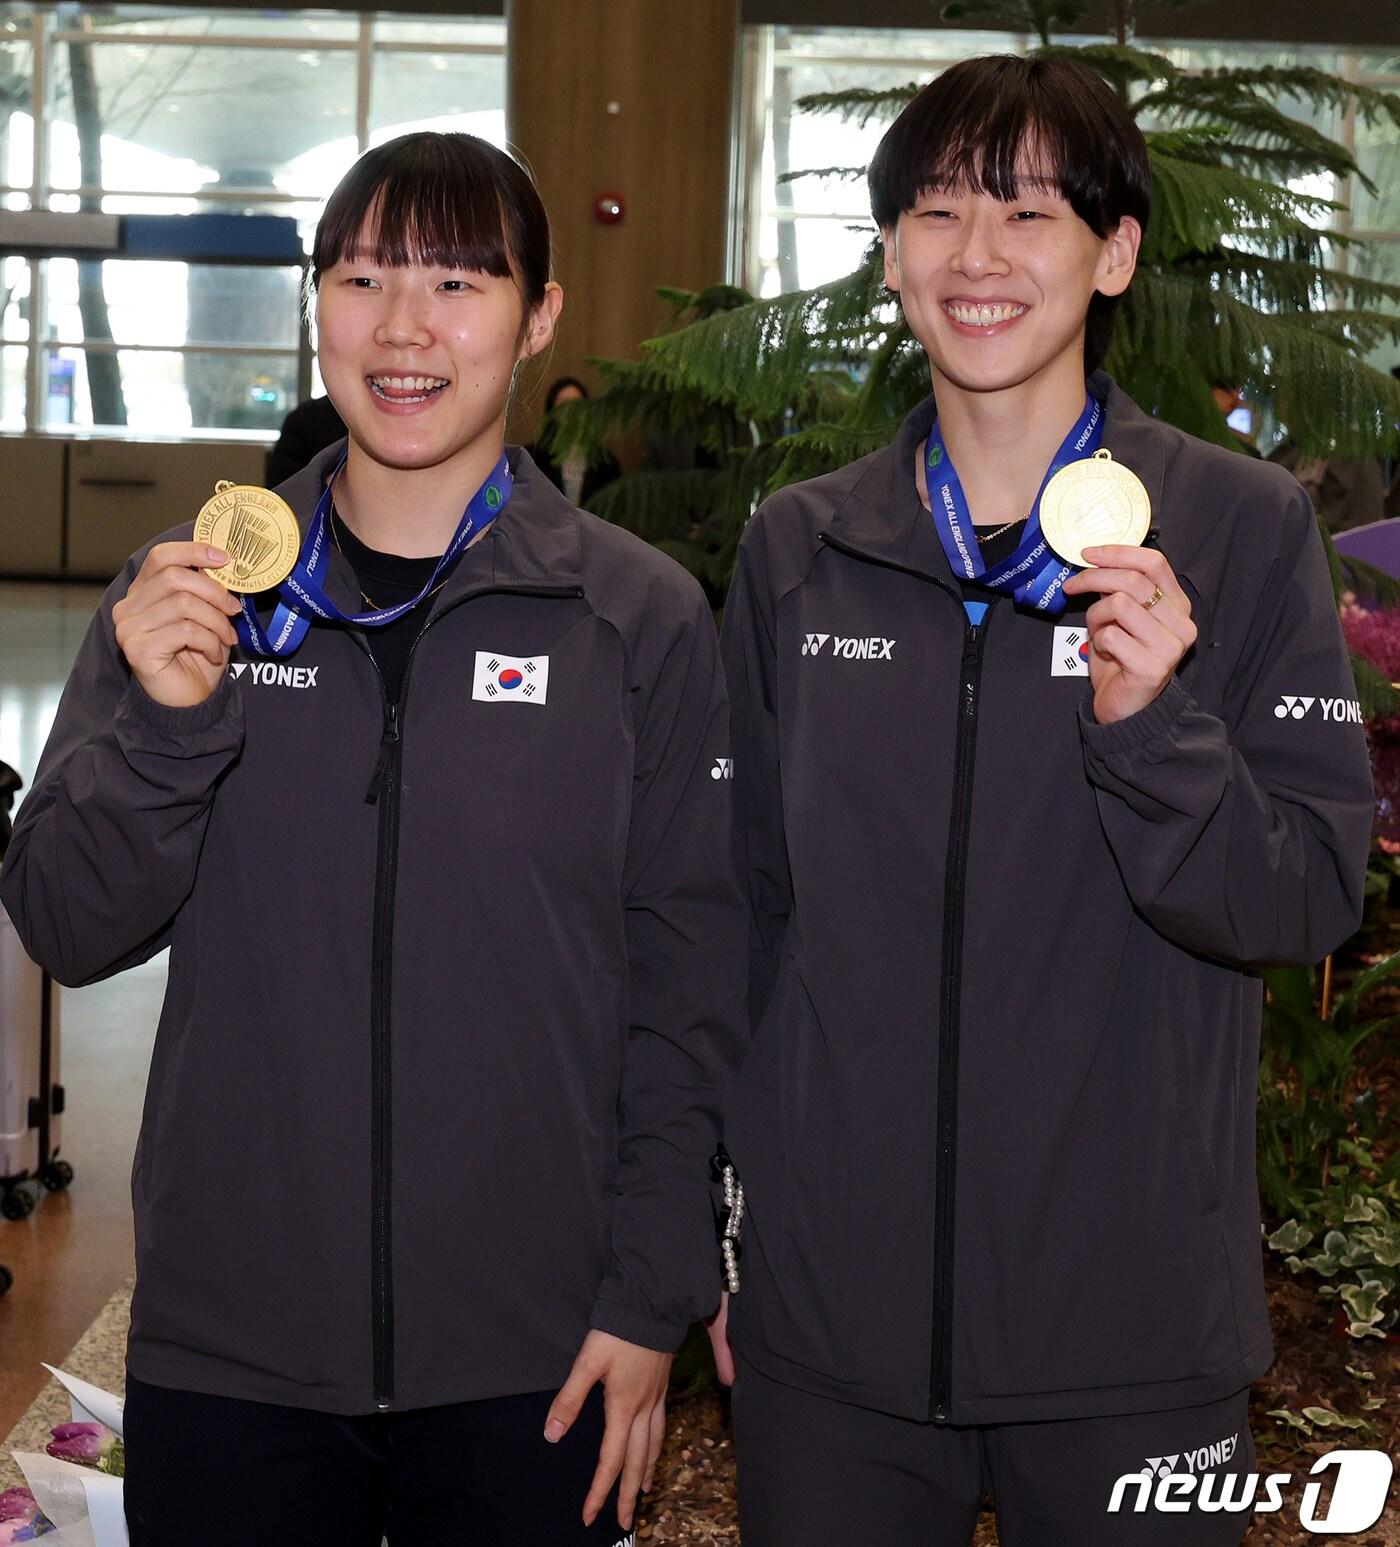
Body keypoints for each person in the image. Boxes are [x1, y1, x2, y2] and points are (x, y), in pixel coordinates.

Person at [1, 132, 745, 1547]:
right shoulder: (195, 592)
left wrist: (650, 1293)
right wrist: (166, 722)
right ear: (316, 305)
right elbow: (70, 920)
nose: (404, 327)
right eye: (361, 278)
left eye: (459, 281)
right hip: (232, 1357)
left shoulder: (636, 619)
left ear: (539, 318)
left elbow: (690, 977)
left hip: (536, 1359)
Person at [712, 54, 1373, 1546]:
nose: (979, 257)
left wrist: (1156, 733)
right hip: (836, 1340)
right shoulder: (803, 548)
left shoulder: (1242, 528)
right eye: (937, 213)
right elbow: (741, 918)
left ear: (1116, 249)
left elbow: (1308, 893)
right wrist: (734, 1246)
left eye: (1027, 211)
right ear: (891, 257)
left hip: (1136, 1338)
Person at [527, 375, 622, 506]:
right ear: (552, 410)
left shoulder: (605, 463)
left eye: (577, 404)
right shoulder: (533, 457)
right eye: (563, 403)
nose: (571, 410)